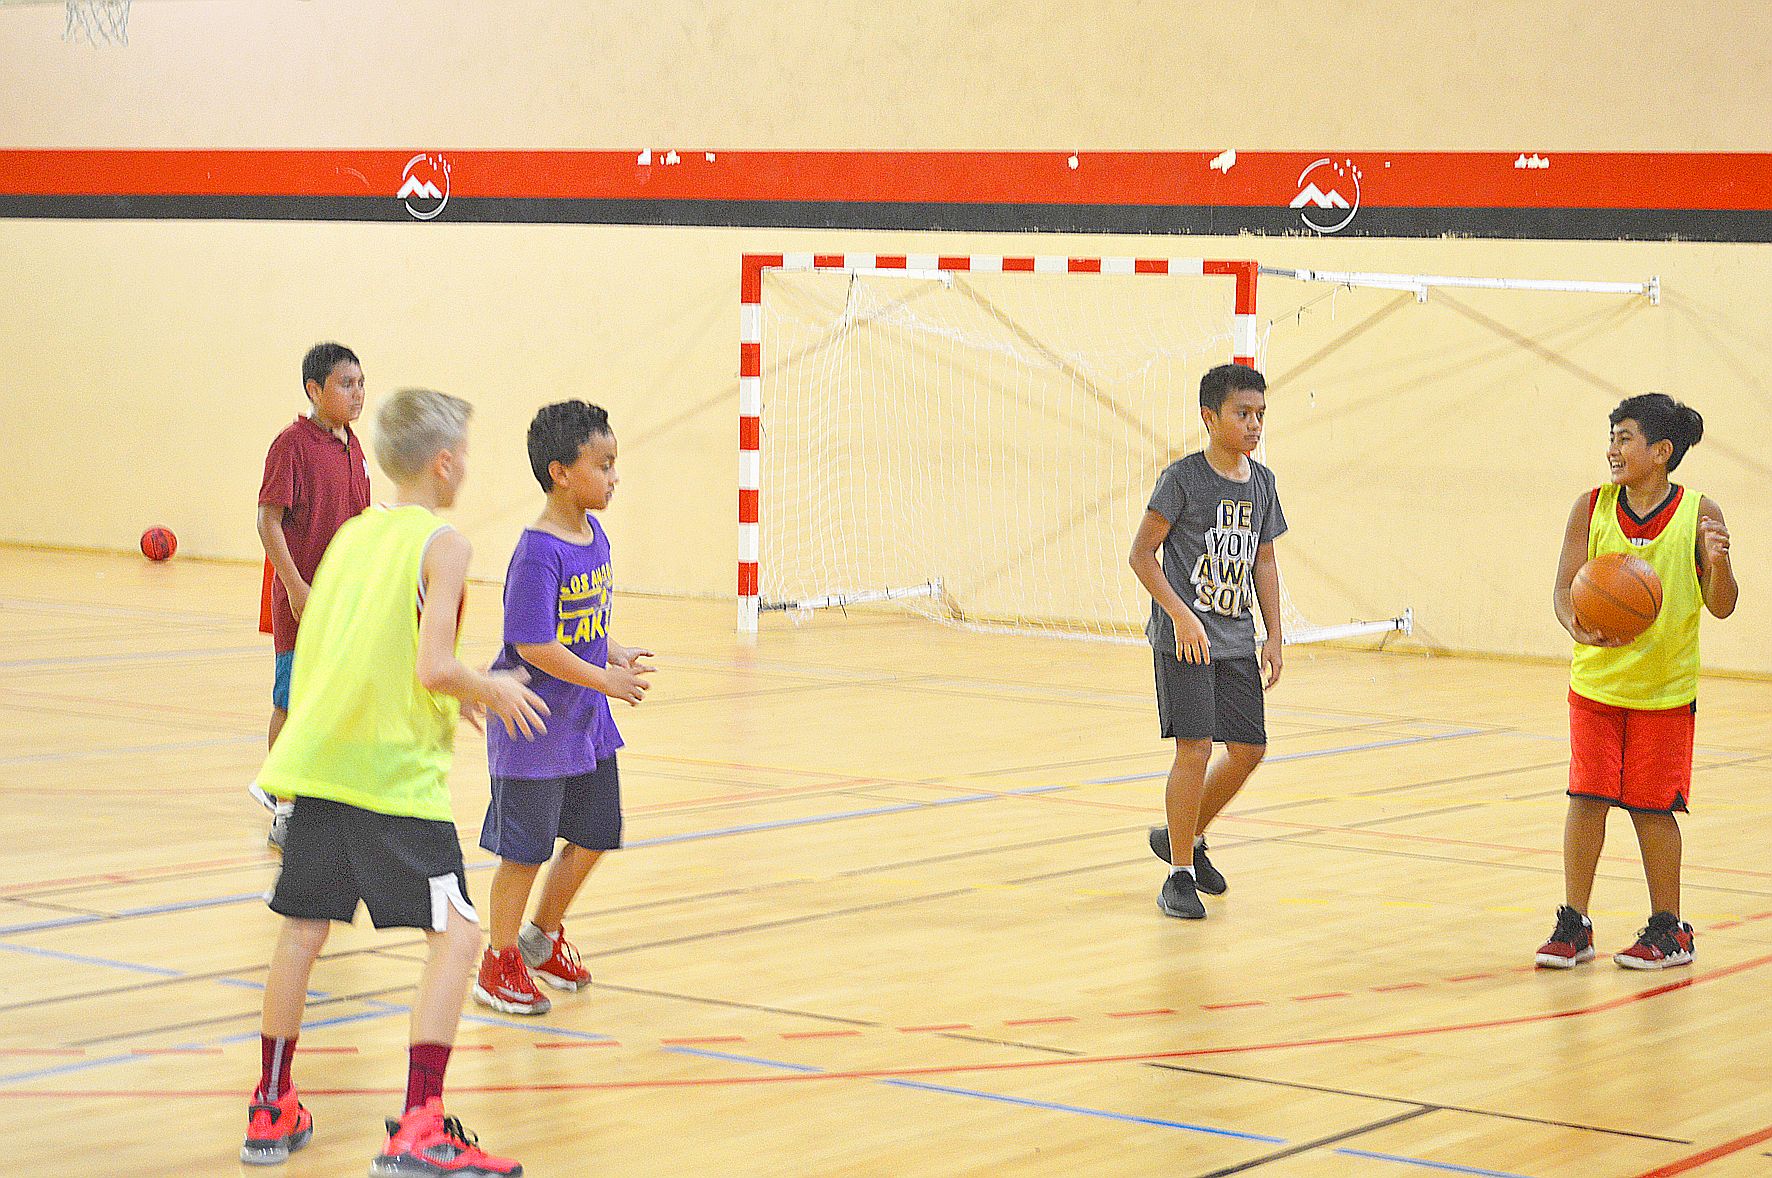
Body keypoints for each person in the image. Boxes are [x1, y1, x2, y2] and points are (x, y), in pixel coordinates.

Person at [240, 387, 546, 1176]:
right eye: (466, 454)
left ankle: (271, 1104)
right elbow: (434, 664)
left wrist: (446, 697)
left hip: (320, 764)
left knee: (302, 932)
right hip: (390, 781)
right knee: (459, 938)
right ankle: (419, 1125)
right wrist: (487, 688)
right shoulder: (443, 543)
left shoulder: (350, 536)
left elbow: (348, 647)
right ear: (445, 462)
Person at [1537, 393, 1736, 971]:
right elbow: (1562, 588)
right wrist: (1578, 622)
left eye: (1624, 438)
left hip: (1664, 691)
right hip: (1595, 685)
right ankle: (1574, 923)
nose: (1612, 450)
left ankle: (1669, 929)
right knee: (1586, 799)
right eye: (1612, 437)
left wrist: (1718, 565)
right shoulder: (1591, 506)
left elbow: (1722, 606)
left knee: (1653, 810)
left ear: (1661, 451)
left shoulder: (1701, 512)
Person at [474, 401, 653, 1015]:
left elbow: (580, 625)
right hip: (534, 727)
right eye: (602, 465)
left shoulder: (594, 535)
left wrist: (614, 652)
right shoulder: (536, 552)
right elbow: (533, 643)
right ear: (560, 472)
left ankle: (540, 938)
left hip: (585, 727)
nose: (613, 477)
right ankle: (497, 966)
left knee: (597, 833)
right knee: (524, 853)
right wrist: (604, 678)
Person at [1130, 362, 1287, 920]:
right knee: (1194, 747)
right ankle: (1177, 873)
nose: (1253, 425)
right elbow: (1142, 555)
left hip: (1236, 637)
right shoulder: (1182, 480)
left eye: (1260, 415)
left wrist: (1273, 633)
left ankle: (1186, 836)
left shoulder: (1263, 483)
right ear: (1209, 417)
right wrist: (1180, 615)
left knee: (1249, 750)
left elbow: (1264, 558)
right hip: (1185, 640)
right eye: (1243, 414)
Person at [251, 342, 371, 851]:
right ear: (314, 389)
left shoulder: (353, 447)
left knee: (336, 700)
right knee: (292, 700)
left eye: (362, 383)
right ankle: (283, 802)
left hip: (346, 602)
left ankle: (327, 798)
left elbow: (362, 523)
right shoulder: (291, 445)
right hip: (303, 601)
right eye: (347, 384)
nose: (358, 394)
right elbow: (267, 519)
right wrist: (296, 586)